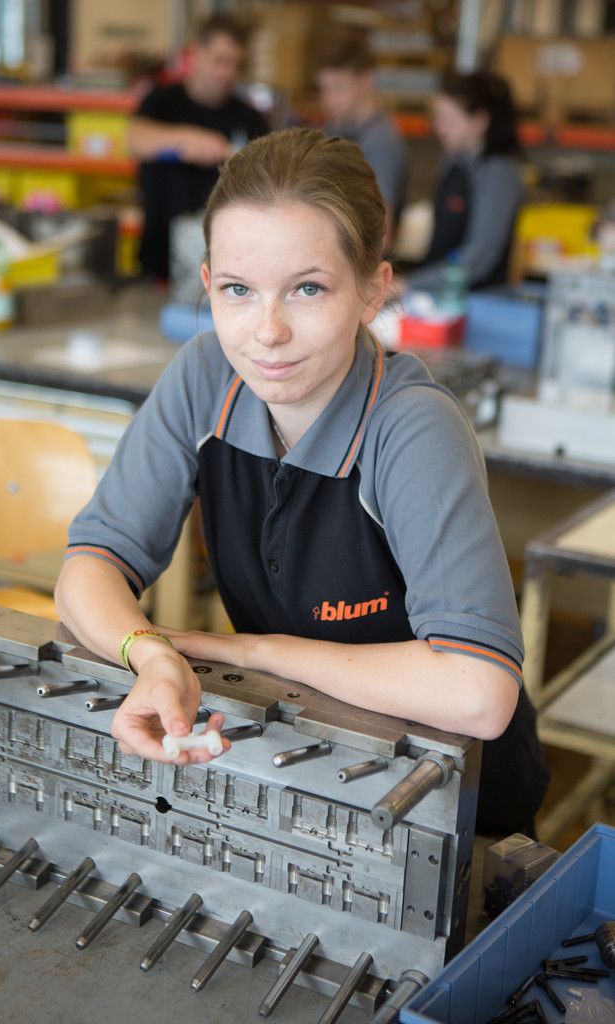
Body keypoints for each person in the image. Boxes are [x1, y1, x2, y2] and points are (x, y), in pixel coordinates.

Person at [55, 127, 548, 836]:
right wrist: (152, 654)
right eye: (237, 290)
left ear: (373, 290)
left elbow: (477, 692)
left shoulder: (409, 427)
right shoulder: (204, 376)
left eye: (308, 288)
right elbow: (88, 568)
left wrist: (254, 652)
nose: (267, 332)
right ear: (207, 285)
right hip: (302, 763)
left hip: (454, 802)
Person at [129, 13, 268, 280]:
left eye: (235, 65)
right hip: (158, 263)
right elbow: (136, 141)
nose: (226, 73)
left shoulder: (251, 119)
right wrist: (189, 140)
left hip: (226, 267)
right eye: (220, 61)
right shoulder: (160, 102)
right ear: (196, 54)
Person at [407, 71, 524, 292]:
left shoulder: (498, 174)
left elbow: (477, 259)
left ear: (479, 122)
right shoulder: (452, 163)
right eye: (437, 119)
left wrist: (410, 285)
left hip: (476, 303)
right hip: (437, 293)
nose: (440, 128)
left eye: (449, 120)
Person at [316, 30, 407, 249]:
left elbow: (382, 234)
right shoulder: (336, 128)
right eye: (324, 89)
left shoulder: (380, 141)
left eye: (338, 87)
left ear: (367, 80)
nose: (329, 99)